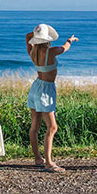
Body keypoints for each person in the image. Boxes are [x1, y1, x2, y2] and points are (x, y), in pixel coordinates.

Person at [26, 24, 78, 173]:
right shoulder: (51, 51)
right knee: (52, 127)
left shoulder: (32, 51)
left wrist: (35, 34)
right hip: (46, 90)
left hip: (36, 87)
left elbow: (27, 37)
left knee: (35, 126)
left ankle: (38, 158)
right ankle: (48, 163)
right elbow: (65, 48)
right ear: (47, 38)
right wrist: (70, 40)